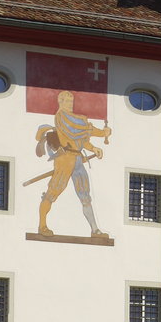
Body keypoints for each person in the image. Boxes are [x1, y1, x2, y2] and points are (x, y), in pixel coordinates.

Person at [34, 90, 112, 239]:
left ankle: (95, 230)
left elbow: (81, 140)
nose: (70, 104)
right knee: (52, 193)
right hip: (64, 159)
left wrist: (93, 148)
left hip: (77, 159)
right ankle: (42, 225)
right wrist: (102, 133)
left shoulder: (76, 119)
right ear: (60, 102)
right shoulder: (62, 117)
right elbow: (76, 132)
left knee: (85, 196)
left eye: (71, 101)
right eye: (67, 101)